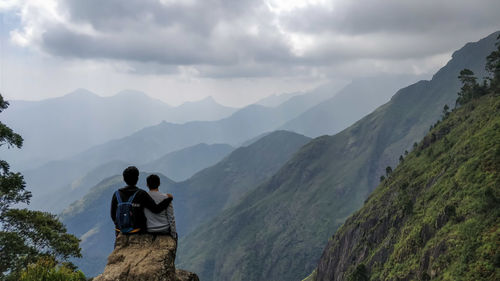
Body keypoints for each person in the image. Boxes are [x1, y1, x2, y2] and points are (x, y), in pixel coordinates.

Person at [110, 166, 173, 235]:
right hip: (138, 232)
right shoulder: (141, 194)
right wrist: (168, 199)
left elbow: (113, 215)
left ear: (124, 179)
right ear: (137, 179)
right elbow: (156, 209)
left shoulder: (116, 194)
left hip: (120, 232)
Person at [144, 174, 178, 240]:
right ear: (159, 184)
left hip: (149, 229)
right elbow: (171, 218)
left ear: (147, 185)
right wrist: (173, 235)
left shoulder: (143, 197)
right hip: (164, 229)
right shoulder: (166, 197)